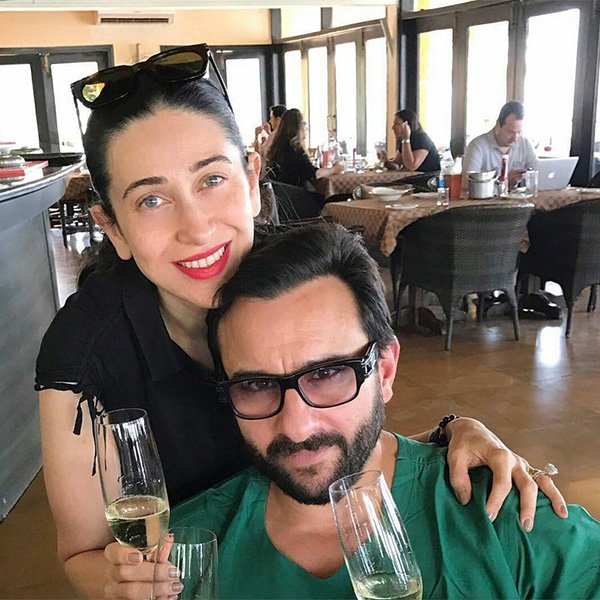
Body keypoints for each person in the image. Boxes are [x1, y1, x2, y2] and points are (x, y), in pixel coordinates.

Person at [36, 45, 564, 598]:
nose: (196, 228)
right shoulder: (84, 352)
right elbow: (79, 553)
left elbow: (320, 441)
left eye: (211, 180)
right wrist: (120, 581)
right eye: (150, 200)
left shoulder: (298, 278)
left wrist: (450, 435)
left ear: (251, 178)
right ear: (112, 226)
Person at [170, 224, 600, 600]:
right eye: (256, 385)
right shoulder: (180, 557)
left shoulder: (505, 512)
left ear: (385, 370)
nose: (296, 426)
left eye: (328, 373)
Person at [463, 100, 537, 189]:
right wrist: (504, 181)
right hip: (487, 198)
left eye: (519, 132)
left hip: (519, 197)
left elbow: (538, 175)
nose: (515, 138)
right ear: (498, 125)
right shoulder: (477, 146)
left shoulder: (525, 144)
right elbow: (467, 184)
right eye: (510, 132)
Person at [265, 108, 343, 188]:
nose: (306, 128)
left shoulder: (278, 146)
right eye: (304, 125)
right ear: (298, 127)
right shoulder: (295, 149)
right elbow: (314, 174)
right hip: (295, 193)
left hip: (280, 192)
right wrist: (334, 169)